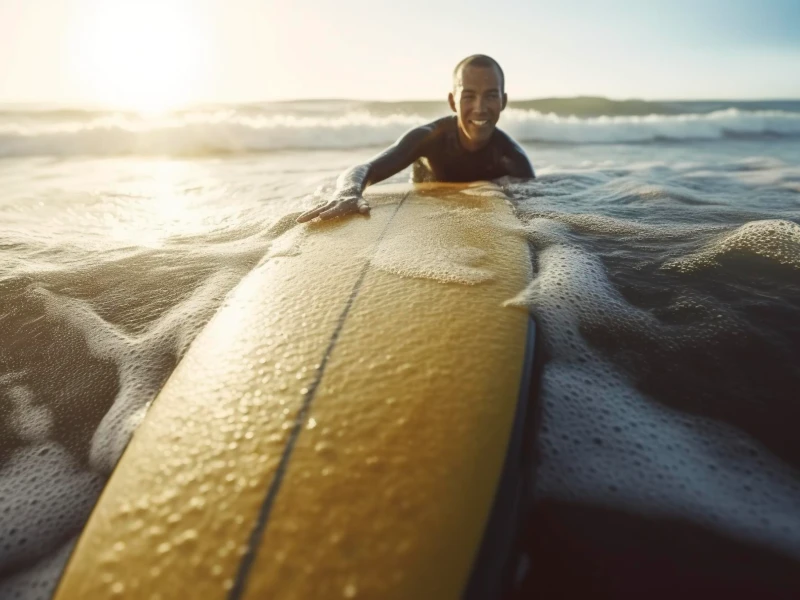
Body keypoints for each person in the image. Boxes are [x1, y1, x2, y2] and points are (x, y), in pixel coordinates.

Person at [296, 54, 535, 223]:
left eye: (491, 96)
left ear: (503, 101)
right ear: (453, 101)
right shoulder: (429, 139)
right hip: (426, 207)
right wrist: (348, 192)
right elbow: (364, 169)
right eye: (469, 96)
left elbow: (531, 211)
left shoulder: (512, 158)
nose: (480, 108)